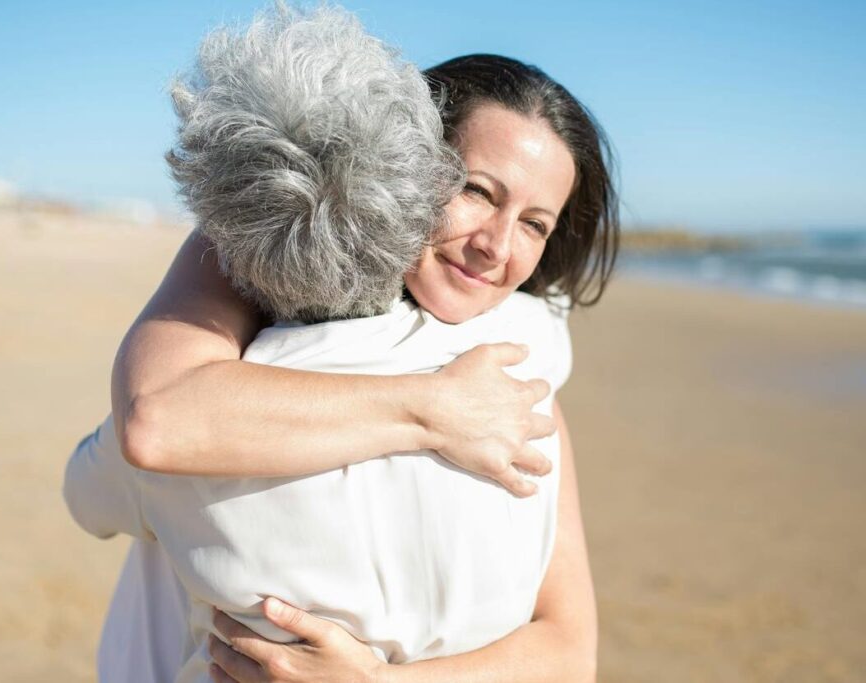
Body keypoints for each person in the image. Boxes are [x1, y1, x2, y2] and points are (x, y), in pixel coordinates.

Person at [67, 4, 618, 682]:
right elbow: (157, 420)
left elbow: (570, 650)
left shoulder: (521, 377)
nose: (496, 247)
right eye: (477, 191)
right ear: (403, 162)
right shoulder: (261, 304)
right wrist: (433, 408)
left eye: (535, 224)